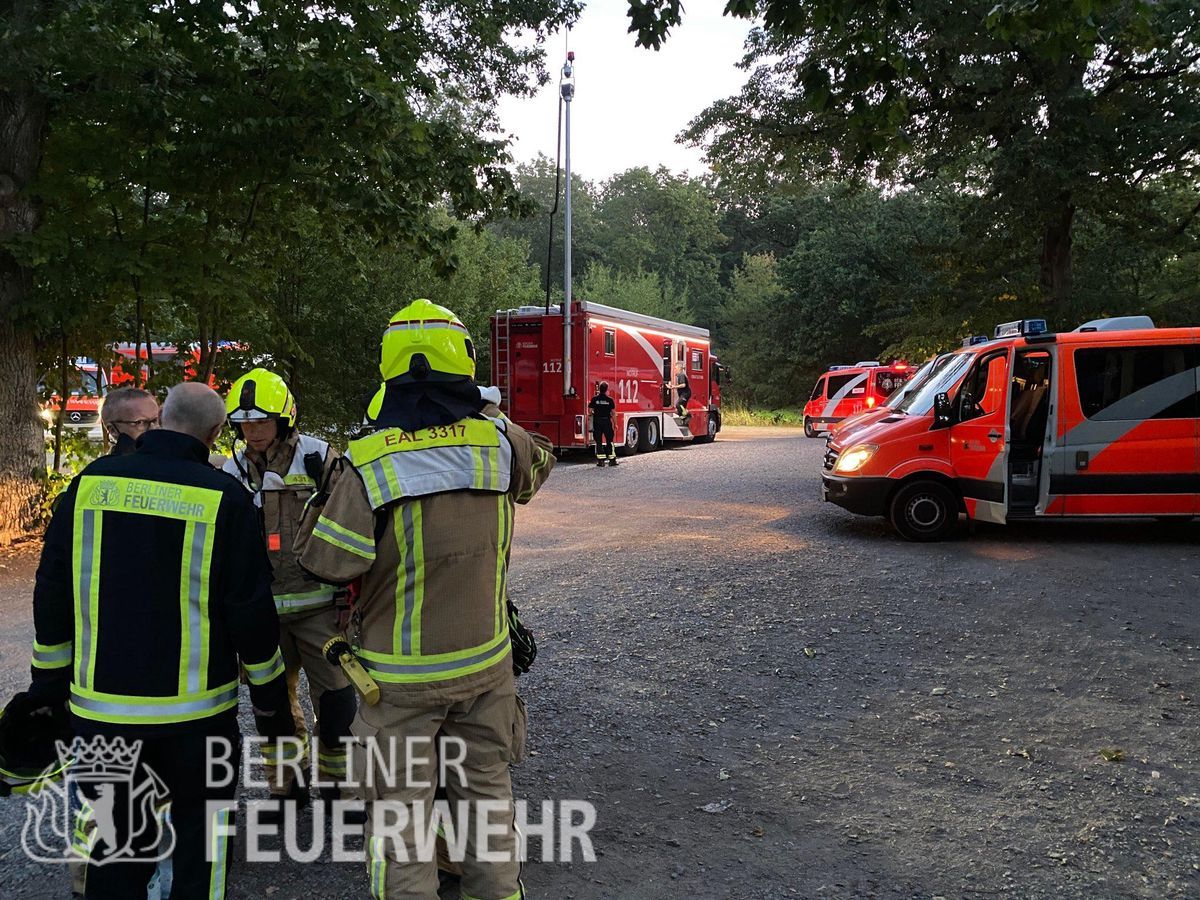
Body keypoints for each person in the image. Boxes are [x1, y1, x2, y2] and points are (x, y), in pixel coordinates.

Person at [299, 299, 555, 900]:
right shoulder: (499, 443)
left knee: (401, 823)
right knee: (488, 807)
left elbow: (325, 562)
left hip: (397, 685)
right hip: (486, 670)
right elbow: (541, 461)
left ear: (388, 369)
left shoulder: (367, 463)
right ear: (464, 364)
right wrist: (493, 412)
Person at [20, 381, 294, 899]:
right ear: (215, 433)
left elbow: (51, 592)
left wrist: (47, 689)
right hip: (198, 720)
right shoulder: (224, 496)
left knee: (115, 849)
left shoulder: (88, 485)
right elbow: (251, 614)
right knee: (201, 848)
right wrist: (271, 706)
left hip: (104, 716)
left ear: (161, 419)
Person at [222, 367, 355, 818]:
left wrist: (348, 594)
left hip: (321, 610)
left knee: (337, 704)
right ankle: (288, 789)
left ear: (285, 419)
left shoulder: (320, 460)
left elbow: (352, 529)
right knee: (272, 708)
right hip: (261, 616)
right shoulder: (230, 470)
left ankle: (339, 789)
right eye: (243, 423)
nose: (251, 431)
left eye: (260, 422)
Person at [98, 387, 160, 456]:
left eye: (156, 420)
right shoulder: (106, 466)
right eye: (140, 422)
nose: (153, 428)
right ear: (113, 430)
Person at [588, 381, 618, 467]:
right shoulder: (610, 400)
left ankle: (601, 461)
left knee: (598, 441)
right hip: (607, 422)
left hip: (597, 422)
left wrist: (594, 413)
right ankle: (612, 460)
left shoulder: (594, 399)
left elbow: (590, 411)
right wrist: (615, 424)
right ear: (606, 390)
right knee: (610, 441)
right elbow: (613, 413)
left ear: (599, 389)